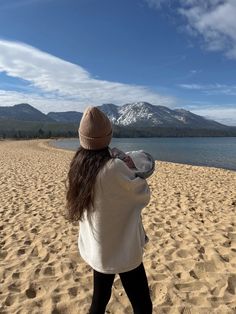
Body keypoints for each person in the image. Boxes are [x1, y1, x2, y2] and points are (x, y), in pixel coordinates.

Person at [66, 106, 153, 314]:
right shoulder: (114, 167)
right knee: (143, 305)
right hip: (123, 248)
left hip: (99, 249)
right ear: (109, 136)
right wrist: (129, 164)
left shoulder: (78, 165)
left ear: (82, 137)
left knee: (99, 300)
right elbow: (142, 194)